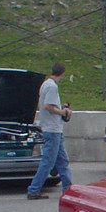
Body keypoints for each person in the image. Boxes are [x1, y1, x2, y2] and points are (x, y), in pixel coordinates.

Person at [26, 63, 72, 200]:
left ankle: (68, 188)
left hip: (54, 128)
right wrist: (63, 111)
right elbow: (48, 106)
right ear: (63, 73)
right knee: (48, 161)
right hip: (52, 129)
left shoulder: (46, 84)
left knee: (62, 161)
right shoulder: (52, 86)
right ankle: (34, 189)